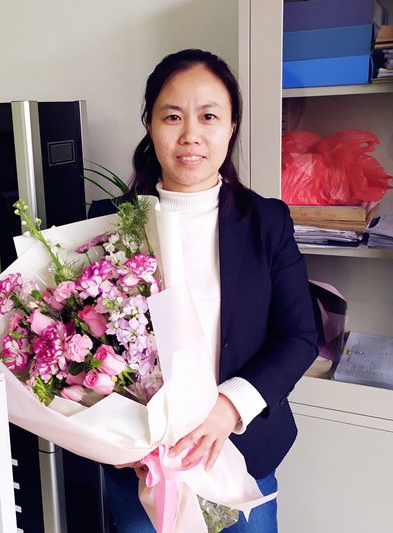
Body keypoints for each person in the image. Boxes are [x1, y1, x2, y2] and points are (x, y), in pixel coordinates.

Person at [89, 48, 319, 532]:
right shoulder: (109, 223)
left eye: (208, 116)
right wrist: (113, 432)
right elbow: (86, 341)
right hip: (141, 465)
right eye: (172, 116)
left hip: (241, 451)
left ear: (231, 126)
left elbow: (299, 336)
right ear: (150, 125)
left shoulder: (266, 222)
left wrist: (228, 407)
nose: (190, 134)